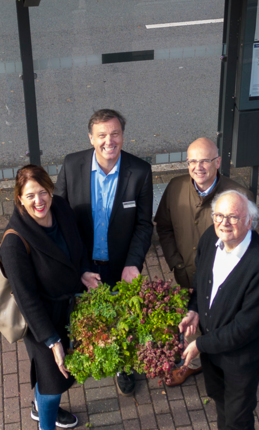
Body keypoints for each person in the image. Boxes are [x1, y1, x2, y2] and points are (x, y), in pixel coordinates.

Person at [154, 137, 259, 386]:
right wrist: (176, 261)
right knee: (193, 321)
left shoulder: (239, 196)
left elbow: (257, 245)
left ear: (217, 162)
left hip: (230, 284)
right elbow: (163, 226)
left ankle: (244, 367)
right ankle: (193, 363)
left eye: (205, 160)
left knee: (236, 326)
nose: (198, 167)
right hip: (189, 276)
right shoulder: (175, 187)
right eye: (192, 161)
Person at [54, 108, 153, 396]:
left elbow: (144, 225)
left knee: (123, 318)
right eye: (101, 135)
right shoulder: (72, 166)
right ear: (91, 138)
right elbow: (59, 216)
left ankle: (123, 364)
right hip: (83, 264)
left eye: (115, 134)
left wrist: (134, 264)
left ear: (123, 135)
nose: (109, 141)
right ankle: (88, 354)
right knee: (84, 315)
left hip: (122, 266)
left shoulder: (140, 171)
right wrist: (80, 266)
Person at [0, 165, 102, 430]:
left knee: (62, 375)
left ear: (51, 190)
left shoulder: (62, 209)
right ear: (19, 198)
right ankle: (45, 423)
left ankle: (41, 408)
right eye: (30, 195)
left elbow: (77, 247)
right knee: (53, 381)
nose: (39, 201)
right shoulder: (14, 242)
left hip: (69, 309)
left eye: (43, 192)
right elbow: (26, 299)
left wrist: (83, 272)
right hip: (41, 321)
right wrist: (52, 340)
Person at [179, 190, 259, 430]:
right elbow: (200, 280)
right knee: (219, 400)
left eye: (233, 217)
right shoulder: (209, 239)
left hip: (240, 358)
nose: (224, 223)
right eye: (219, 215)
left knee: (238, 417)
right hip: (213, 351)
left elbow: (246, 328)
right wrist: (193, 309)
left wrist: (200, 345)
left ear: (248, 222)